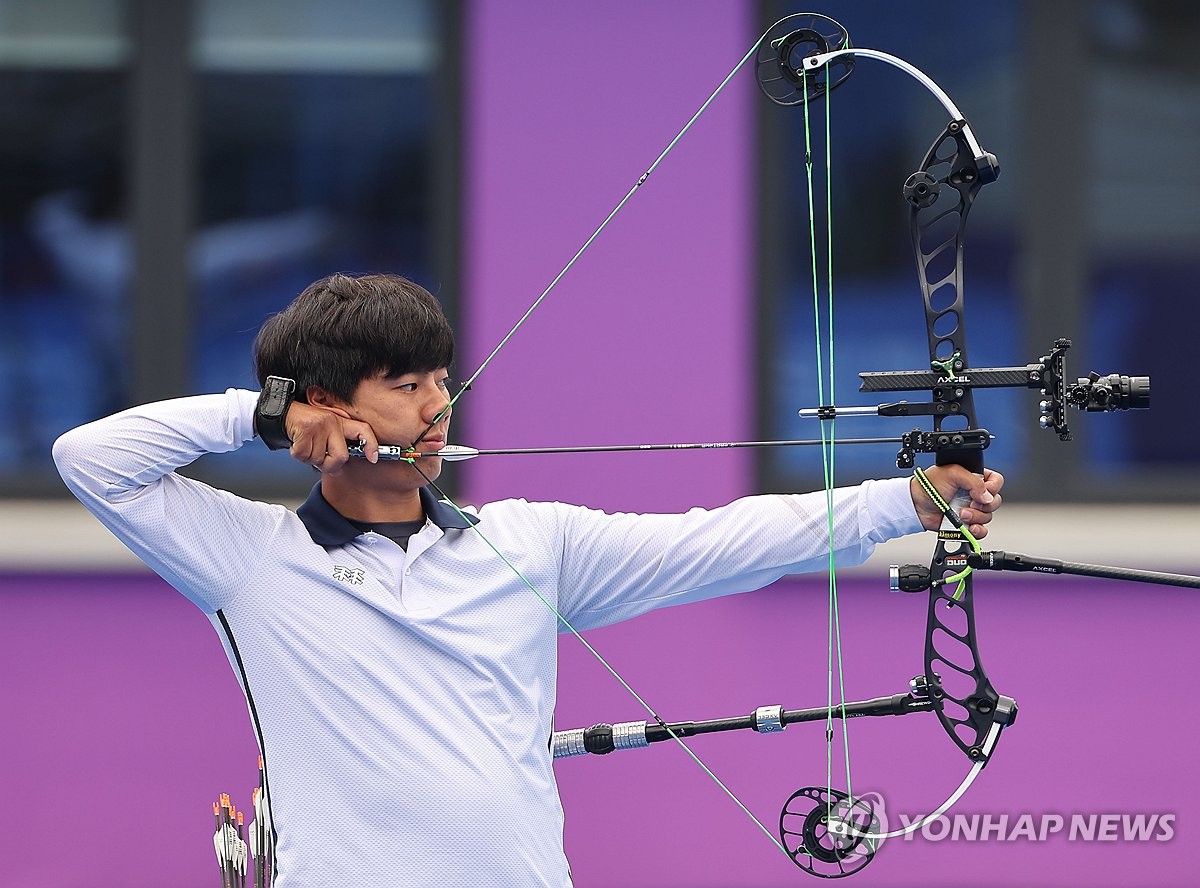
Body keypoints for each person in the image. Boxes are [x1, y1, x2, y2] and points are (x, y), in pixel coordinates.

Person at [53, 272, 1003, 887]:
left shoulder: (525, 544)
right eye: (407, 386)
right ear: (331, 410)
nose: (437, 407)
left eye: (441, 380)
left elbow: (723, 540)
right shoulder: (250, 559)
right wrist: (257, 415)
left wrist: (904, 501)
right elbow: (89, 458)